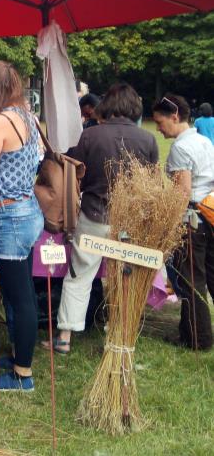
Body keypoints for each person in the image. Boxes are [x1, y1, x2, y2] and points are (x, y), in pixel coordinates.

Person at [46, 83, 159, 354]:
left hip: (94, 216)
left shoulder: (91, 136)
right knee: (126, 278)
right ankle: (118, 335)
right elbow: (153, 186)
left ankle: (64, 338)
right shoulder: (148, 140)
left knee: (79, 276)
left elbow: (75, 174)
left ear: (108, 105)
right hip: (130, 221)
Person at [0, 61, 44, 391]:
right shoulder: (26, 116)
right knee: (24, 292)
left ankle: (23, 374)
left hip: (8, 217)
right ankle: (19, 353)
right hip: (28, 210)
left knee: (20, 298)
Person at [153, 94, 214, 350]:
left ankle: (197, 339)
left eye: (159, 121)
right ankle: (189, 331)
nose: (157, 127)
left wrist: (169, 225)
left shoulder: (180, 147)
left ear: (175, 116)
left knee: (191, 281)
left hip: (192, 220)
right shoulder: (204, 141)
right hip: (210, 213)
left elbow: (182, 192)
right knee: (210, 275)